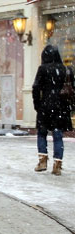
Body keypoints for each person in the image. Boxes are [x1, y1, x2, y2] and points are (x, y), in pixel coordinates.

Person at [32, 45, 74, 176]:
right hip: (61, 106)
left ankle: (42, 161)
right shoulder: (66, 70)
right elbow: (73, 89)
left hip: (46, 104)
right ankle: (57, 164)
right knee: (58, 134)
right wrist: (71, 107)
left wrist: (37, 104)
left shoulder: (43, 69)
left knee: (42, 132)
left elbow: (36, 87)